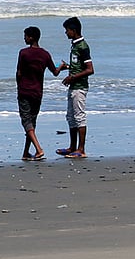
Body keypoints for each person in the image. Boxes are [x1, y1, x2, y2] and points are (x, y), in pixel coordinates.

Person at [16, 26, 59, 160]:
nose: (24, 38)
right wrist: (62, 67)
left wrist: (19, 87)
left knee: (26, 122)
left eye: (26, 36)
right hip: (37, 92)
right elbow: (55, 72)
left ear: (31, 37)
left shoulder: (24, 53)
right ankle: (26, 152)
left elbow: (19, 72)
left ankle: (39, 149)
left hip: (25, 91)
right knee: (32, 122)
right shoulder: (45, 54)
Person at [56, 16, 94, 158]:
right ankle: (72, 147)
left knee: (79, 117)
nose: (66, 33)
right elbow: (79, 66)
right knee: (71, 117)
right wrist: (68, 67)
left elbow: (90, 69)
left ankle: (81, 149)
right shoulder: (75, 45)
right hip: (73, 86)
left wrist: (72, 77)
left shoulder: (83, 46)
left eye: (67, 30)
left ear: (74, 30)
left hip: (79, 87)